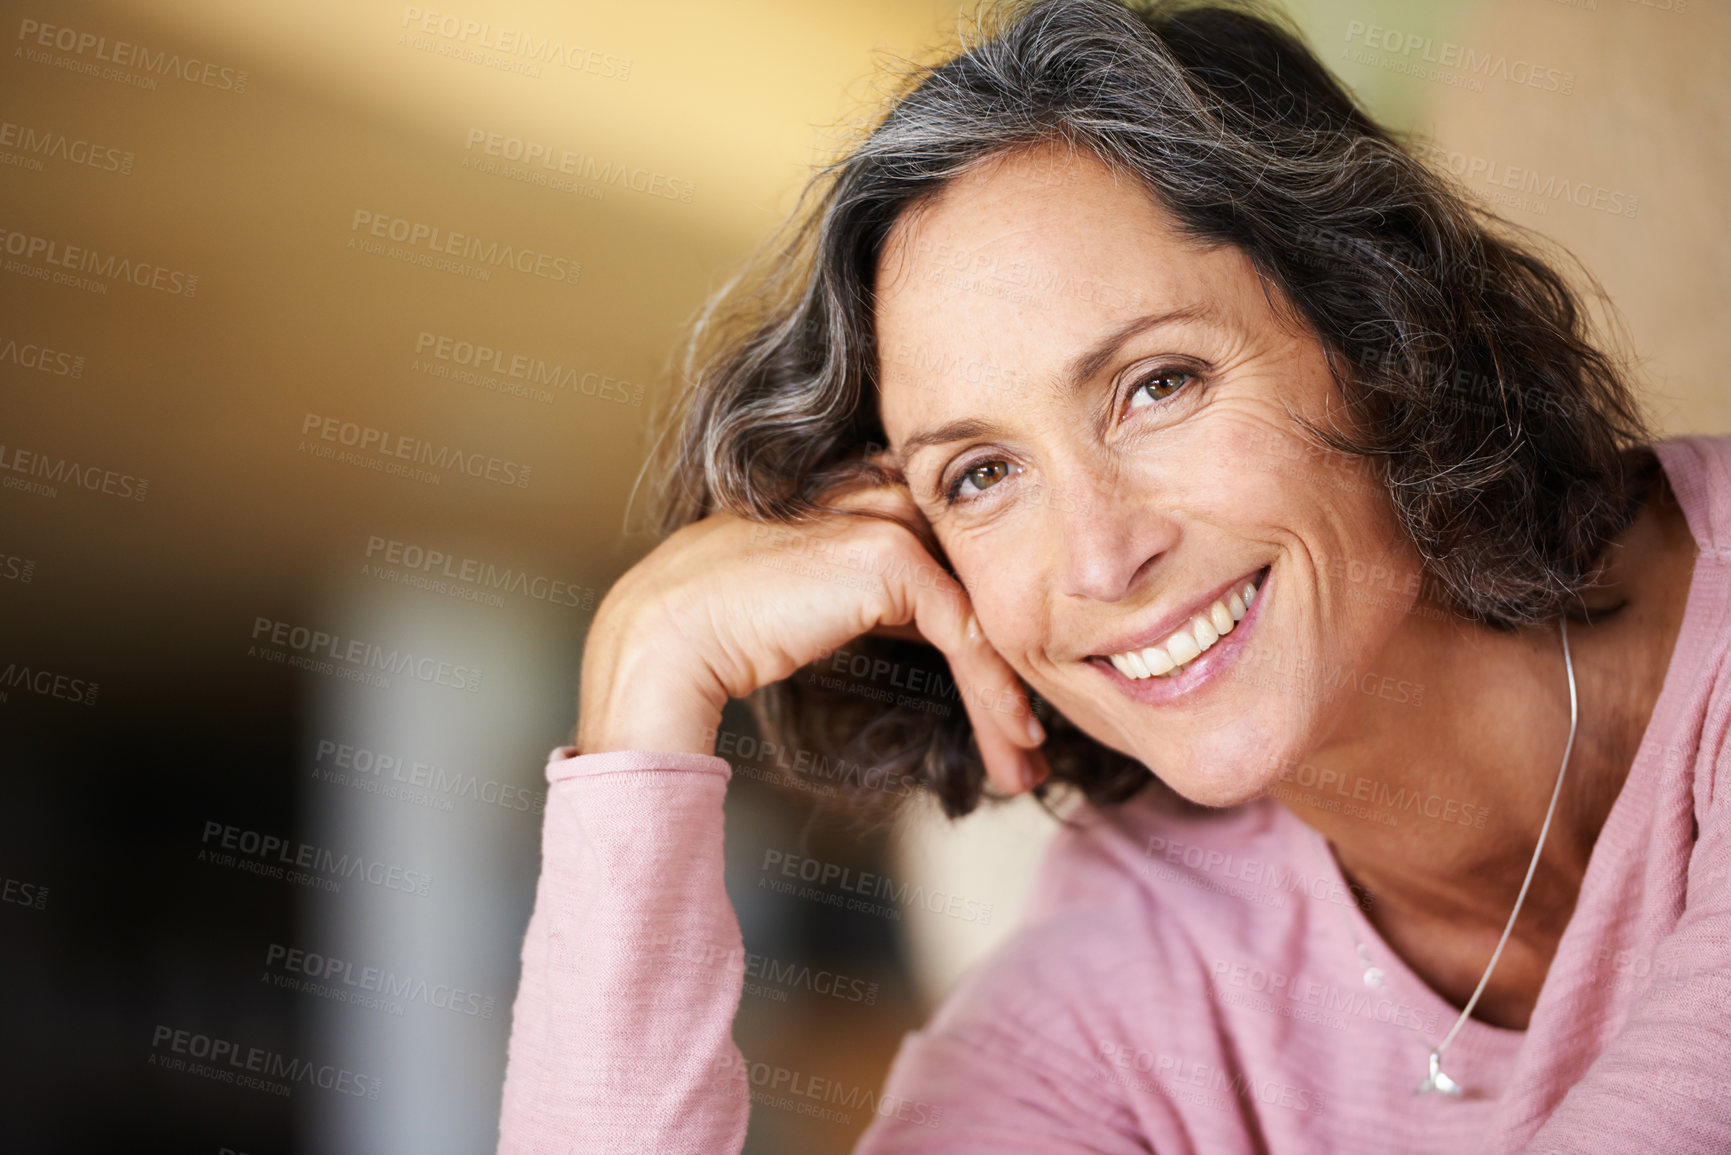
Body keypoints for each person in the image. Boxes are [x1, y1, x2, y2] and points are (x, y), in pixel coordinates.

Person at [495, 1, 1731, 1151]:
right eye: (981, 476)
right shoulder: (1132, 967)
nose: (1099, 556)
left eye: (1158, 385)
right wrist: (645, 680)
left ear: (1380, 332)